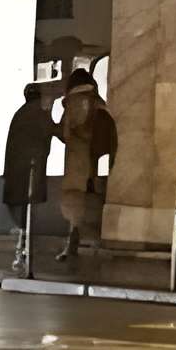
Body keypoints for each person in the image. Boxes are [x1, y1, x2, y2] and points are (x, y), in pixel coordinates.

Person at [56, 66, 118, 263]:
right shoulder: (99, 105)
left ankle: (73, 243)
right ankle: (86, 243)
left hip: (78, 164)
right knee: (92, 202)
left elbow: (66, 132)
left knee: (76, 203)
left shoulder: (74, 103)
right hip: (97, 165)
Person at [2, 83, 55, 271]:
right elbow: (50, 131)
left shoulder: (21, 113)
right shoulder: (39, 113)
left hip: (18, 171)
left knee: (23, 213)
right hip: (30, 171)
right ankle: (23, 252)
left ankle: (22, 250)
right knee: (27, 213)